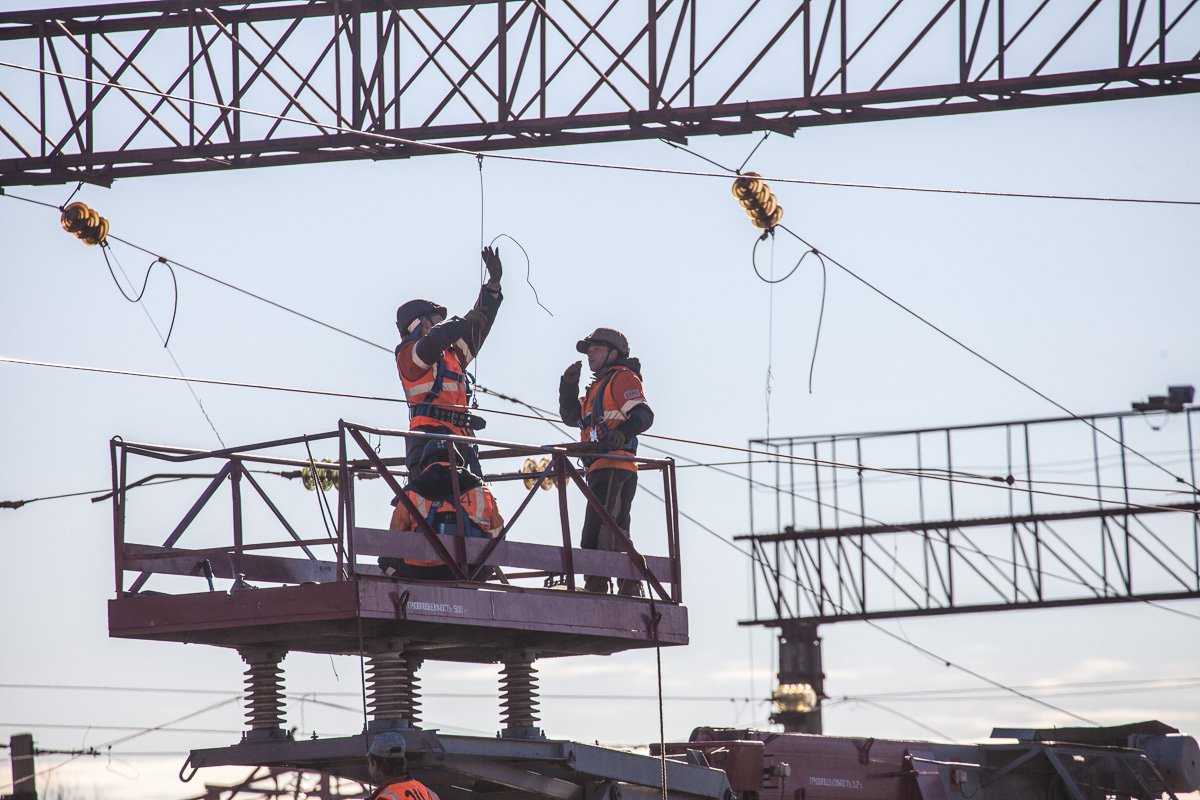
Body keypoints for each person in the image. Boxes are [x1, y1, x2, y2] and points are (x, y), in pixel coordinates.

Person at [558, 327, 654, 595]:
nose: (590, 355)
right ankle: (621, 583)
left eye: (596, 349)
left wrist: (621, 433)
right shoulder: (598, 386)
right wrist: (568, 386)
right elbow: (572, 416)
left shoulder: (622, 378)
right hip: (600, 468)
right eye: (589, 351)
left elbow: (643, 415)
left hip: (616, 467)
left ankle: (607, 585)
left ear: (614, 353)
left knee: (601, 532)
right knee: (610, 530)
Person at [395, 247, 503, 477]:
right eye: (434, 321)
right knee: (428, 501)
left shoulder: (452, 355)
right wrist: (460, 323)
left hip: (461, 441)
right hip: (427, 442)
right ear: (418, 324)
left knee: (470, 502)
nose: (437, 325)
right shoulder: (408, 355)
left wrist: (492, 287)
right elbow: (434, 341)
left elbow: (476, 328)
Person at [380, 443, 504, 582]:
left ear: (425, 463)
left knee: (384, 561)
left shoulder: (411, 492)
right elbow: (498, 533)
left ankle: (406, 585)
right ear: (458, 461)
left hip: (421, 572)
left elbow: (393, 539)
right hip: (470, 570)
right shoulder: (480, 490)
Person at [367, 731, 439, 800]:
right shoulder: (428, 793)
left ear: (375, 764)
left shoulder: (386, 798)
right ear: (402, 762)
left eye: (369, 762)